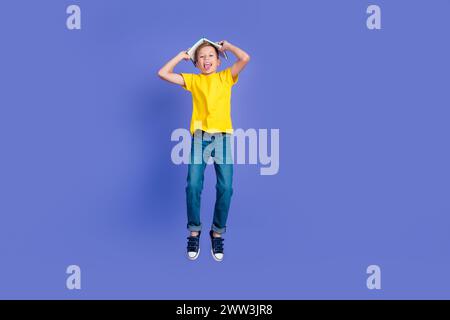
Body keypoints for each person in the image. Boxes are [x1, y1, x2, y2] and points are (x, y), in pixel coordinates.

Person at [158, 39, 250, 261]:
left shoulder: (226, 77)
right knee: (193, 185)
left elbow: (245, 58)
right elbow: (162, 73)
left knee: (226, 187)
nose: (206, 59)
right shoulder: (193, 80)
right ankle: (194, 231)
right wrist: (181, 56)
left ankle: (217, 233)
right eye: (201, 57)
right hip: (199, 139)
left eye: (211, 56)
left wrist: (227, 46)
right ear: (196, 63)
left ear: (218, 61)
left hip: (223, 138)